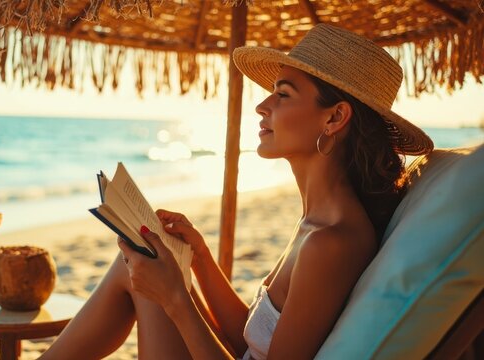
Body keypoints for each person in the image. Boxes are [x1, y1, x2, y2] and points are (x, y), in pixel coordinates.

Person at [38, 23, 434, 359]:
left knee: (140, 269)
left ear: (334, 117)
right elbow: (251, 337)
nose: (263, 106)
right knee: (137, 260)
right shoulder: (318, 222)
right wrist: (200, 260)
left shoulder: (332, 242)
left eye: (282, 94)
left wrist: (176, 296)